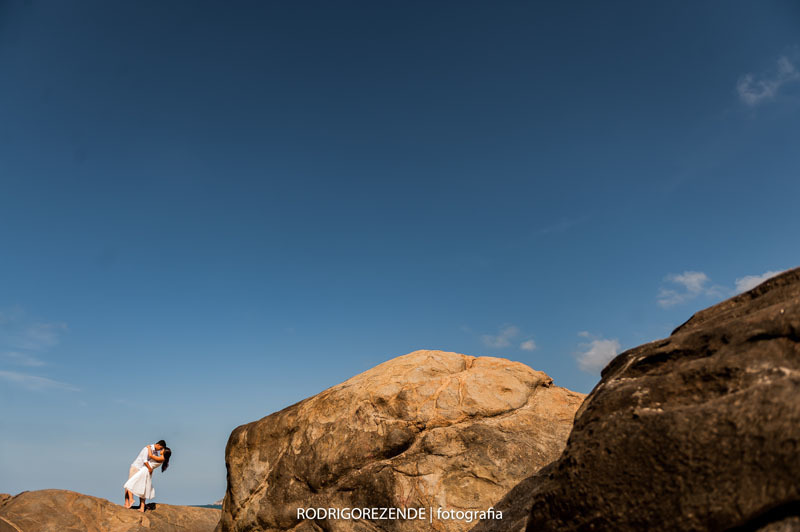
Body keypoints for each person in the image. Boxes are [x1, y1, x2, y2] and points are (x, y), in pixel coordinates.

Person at [124, 440, 171, 511]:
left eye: (162, 449)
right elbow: (146, 460)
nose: (160, 450)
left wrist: (149, 448)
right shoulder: (148, 450)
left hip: (144, 470)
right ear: (158, 445)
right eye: (161, 448)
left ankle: (132, 501)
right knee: (140, 487)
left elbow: (148, 460)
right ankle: (134, 504)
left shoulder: (159, 456)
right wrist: (150, 469)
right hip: (138, 467)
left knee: (130, 484)